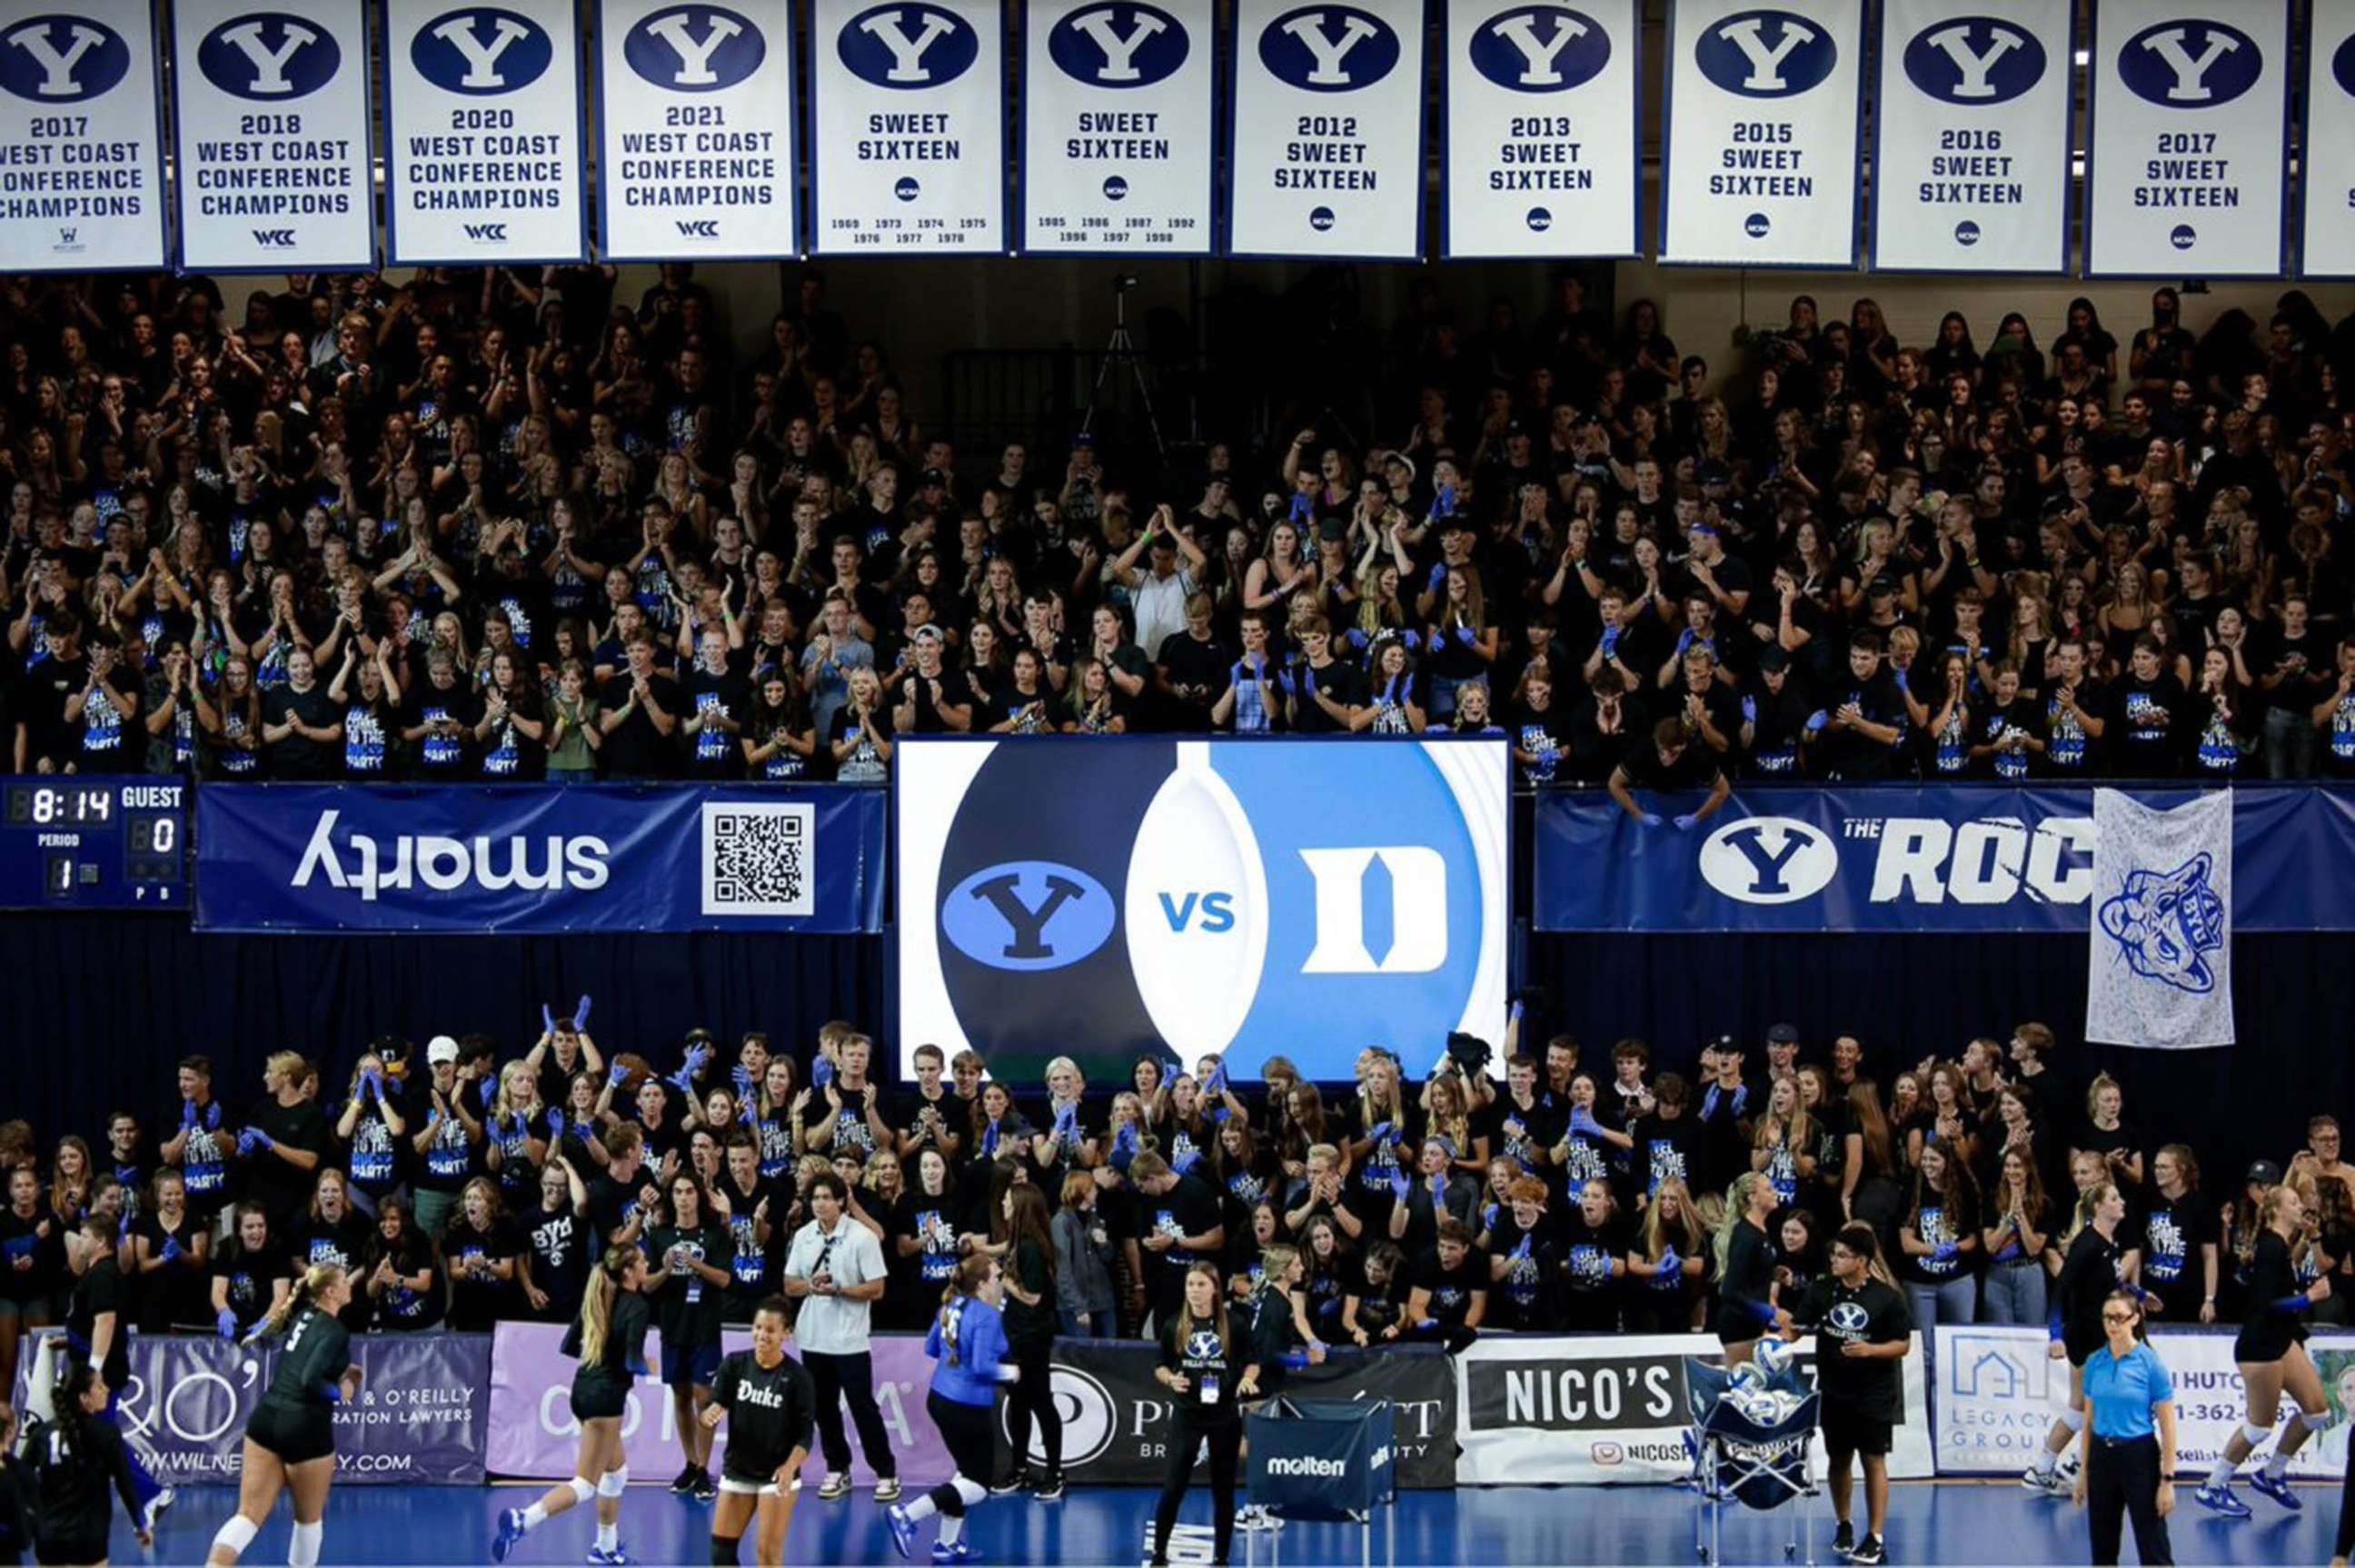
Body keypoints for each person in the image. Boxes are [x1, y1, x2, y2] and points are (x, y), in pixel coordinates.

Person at [493, 1245, 648, 1565]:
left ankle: (604, 1548)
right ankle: (524, 1518)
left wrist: (603, 1357)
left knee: (616, 1473)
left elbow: (569, 1344)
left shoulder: (598, 1298)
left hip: (583, 1388)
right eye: (643, 1260)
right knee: (586, 1484)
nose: (648, 1264)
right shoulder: (636, 1306)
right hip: (606, 1401)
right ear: (630, 1271)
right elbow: (633, 1359)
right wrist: (652, 1367)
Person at [205, 1265, 363, 1566]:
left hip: (266, 1420)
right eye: (344, 1281)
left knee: (247, 1516)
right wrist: (340, 1391)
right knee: (308, 1522)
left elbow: (305, 1364)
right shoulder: (336, 1331)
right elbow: (310, 1380)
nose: (349, 1286)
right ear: (330, 1291)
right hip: (305, 1428)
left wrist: (341, 1373)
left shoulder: (304, 1317)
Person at [2195, 1182, 2332, 1518]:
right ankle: (2213, 1485)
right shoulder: (2270, 1247)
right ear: (2276, 1211)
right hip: (2260, 1346)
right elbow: (2267, 1304)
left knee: (2317, 1412)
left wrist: (2308, 1244)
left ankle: (2271, 1474)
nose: (2301, 1207)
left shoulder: (2280, 1246)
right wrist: (2309, 1299)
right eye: (2294, 1202)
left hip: (2282, 1340)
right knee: (2259, 1427)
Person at [1788, 1224, 1911, 1566]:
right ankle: (1844, 1524)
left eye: (1842, 1256)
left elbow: (1903, 1344)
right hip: (1834, 1391)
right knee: (1839, 1459)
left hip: (1873, 1392)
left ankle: (1875, 1536)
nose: (1834, 1260)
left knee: (1873, 1460)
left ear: (1862, 1261)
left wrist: (1870, 1350)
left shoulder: (1887, 1298)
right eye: (1834, 1254)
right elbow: (1797, 1328)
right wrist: (1775, 1340)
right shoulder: (1822, 1289)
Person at [886, 1255, 1019, 1565]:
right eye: (998, 1277)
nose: (1002, 1282)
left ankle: (945, 1546)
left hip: (941, 1398)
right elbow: (982, 1367)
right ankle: (906, 1514)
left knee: (964, 1475)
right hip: (967, 1406)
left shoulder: (950, 1306)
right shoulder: (986, 1316)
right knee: (977, 1486)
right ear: (984, 1284)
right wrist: (1012, 1374)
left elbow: (931, 1348)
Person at [780, 1171, 899, 1503]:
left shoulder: (862, 1237)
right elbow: (790, 1284)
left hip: (850, 1339)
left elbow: (877, 1288)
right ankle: (837, 1467)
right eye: (815, 1198)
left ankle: (886, 1471)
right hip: (814, 1337)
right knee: (823, 1407)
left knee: (862, 1407)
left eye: (826, 1198)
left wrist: (841, 1290)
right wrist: (812, 1286)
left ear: (842, 1200)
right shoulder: (804, 1236)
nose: (820, 1204)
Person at [2026, 1183, 2138, 1498]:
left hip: (2100, 1335)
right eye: (2115, 1198)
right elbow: (2062, 1288)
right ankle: (2067, 1465)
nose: (2122, 1201)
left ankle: (2046, 1468)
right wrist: (2055, 1334)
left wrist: (2140, 1294)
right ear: (2099, 1208)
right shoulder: (2087, 1245)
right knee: (2103, 1402)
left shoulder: (2107, 1243)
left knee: (2082, 1406)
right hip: (2085, 1337)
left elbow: (2106, 1286)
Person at [60, 1216, 169, 1534]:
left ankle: (154, 1493)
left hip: (100, 1378)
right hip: (92, 1368)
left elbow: (105, 1322)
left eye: (84, 1235)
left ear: (100, 1242)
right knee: (98, 1438)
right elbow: (91, 1320)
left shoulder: (103, 1276)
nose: (79, 1241)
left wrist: (94, 1371)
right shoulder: (96, 1273)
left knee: (105, 1439)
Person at [1149, 1262, 1257, 1568]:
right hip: (1188, 1414)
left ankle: (1221, 1557)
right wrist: (1171, 1379)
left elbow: (1251, 1360)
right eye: (1190, 1284)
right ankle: (1160, 1552)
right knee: (1173, 1486)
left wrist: (1248, 1378)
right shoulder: (1174, 1325)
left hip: (1224, 1416)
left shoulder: (1234, 1324)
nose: (1194, 1291)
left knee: (1223, 1490)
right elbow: (1160, 1366)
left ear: (1214, 1288)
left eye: (1200, 1284)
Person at [701, 1296, 816, 1567]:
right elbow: (716, 1403)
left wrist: (789, 1467)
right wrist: (710, 1413)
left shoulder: (798, 1378)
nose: (762, 1335)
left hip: (776, 1475)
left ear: (786, 1334)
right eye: (758, 1327)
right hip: (739, 1469)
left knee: (767, 1556)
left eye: (771, 1330)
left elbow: (805, 1435)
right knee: (721, 1555)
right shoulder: (734, 1364)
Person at [2075, 1290, 2178, 1567]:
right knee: (2103, 1548)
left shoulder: (2150, 1362)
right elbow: (2088, 1422)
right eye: (2108, 1318)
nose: (2112, 1324)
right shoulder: (2095, 1362)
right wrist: (2083, 1472)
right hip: (2101, 1457)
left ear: (2134, 1319)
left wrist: (2167, 1481)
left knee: (2153, 1546)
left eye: (2119, 1318)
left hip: (2138, 1457)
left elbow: (2168, 1427)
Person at [647, 1172, 732, 1500]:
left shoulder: (715, 1235)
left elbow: (725, 1279)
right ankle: (691, 1463)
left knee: (704, 1397)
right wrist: (667, 1269)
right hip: (672, 1326)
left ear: (699, 1196)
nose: (684, 1198)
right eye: (678, 1192)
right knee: (680, 1396)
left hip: (705, 1326)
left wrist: (697, 1265)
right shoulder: (659, 1236)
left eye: (689, 1192)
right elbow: (645, 1284)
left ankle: (704, 1468)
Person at [21, 1366, 152, 1565]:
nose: (106, 1389)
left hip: (49, 1537)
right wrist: (141, 1523)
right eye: (99, 1386)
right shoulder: (107, 1433)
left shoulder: (42, 1433)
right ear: (84, 1397)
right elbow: (125, 1483)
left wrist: (32, 1516)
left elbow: (21, 1476)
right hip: (89, 1538)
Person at [995, 1184, 1064, 1499]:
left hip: (1031, 1338)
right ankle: (1019, 1469)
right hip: (1015, 1335)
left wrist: (1004, 1281)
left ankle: (1054, 1472)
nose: (1002, 1203)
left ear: (1020, 1206)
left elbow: (1034, 1297)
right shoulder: (1019, 1242)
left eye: (1007, 1200)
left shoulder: (1031, 1248)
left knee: (1041, 1402)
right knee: (1018, 1403)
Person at [1714, 1171, 1794, 1366]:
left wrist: (1772, 1273)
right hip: (1738, 1326)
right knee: (1744, 1387)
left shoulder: (1760, 1230)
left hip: (1753, 1324)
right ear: (1752, 1197)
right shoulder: (1746, 1235)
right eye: (1768, 1189)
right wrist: (1769, 1312)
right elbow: (1730, 1291)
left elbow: (1750, 1273)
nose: (1774, 1193)